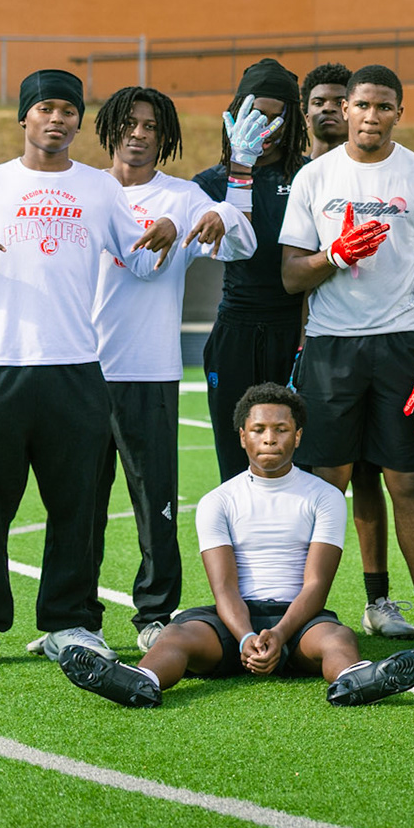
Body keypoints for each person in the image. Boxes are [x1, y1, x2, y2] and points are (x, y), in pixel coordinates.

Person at [0, 70, 180, 668]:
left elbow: (139, 263)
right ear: (24, 117)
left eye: (68, 110)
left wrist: (167, 233)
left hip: (77, 369)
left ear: (78, 121)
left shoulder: (100, 188)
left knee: (74, 508)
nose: (57, 119)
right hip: (2, 366)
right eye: (45, 108)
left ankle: (68, 622)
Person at [57, 384, 414, 708]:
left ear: (298, 436)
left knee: (338, 637)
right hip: (231, 622)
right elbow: (225, 589)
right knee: (176, 634)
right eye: (259, 429)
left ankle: (355, 680)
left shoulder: (325, 496)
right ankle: (141, 681)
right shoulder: (218, 501)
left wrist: (279, 634)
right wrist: (247, 637)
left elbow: (316, 585)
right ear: (242, 436)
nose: (270, 438)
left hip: (297, 623)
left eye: (281, 429)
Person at [277, 63, 414, 658]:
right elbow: (291, 276)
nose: (371, 116)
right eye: (362, 105)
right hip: (331, 346)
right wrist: (333, 255)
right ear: (346, 109)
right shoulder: (315, 177)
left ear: (398, 113)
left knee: (407, 481)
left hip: (400, 344)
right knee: (327, 483)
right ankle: (295, 613)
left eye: (384, 106)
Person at [90, 85, 257, 652]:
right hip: (79, 369)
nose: (139, 134)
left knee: (153, 499)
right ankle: (76, 616)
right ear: (110, 128)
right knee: (78, 503)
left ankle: (154, 614)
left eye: (152, 127)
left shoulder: (183, 196)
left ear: (165, 137)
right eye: (129, 123)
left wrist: (223, 209)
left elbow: (242, 243)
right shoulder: (83, 189)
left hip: (148, 368)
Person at [196, 59, 312, 483]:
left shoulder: (308, 176)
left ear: (291, 119)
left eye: (273, 117)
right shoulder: (211, 182)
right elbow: (227, 248)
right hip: (237, 327)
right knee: (235, 459)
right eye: (254, 114)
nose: (262, 127)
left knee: (299, 457)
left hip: (294, 326)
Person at [302, 62, 352, 159]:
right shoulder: (293, 168)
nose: (328, 108)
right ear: (307, 119)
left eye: (339, 103)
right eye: (318, 103)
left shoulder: (371, 167)